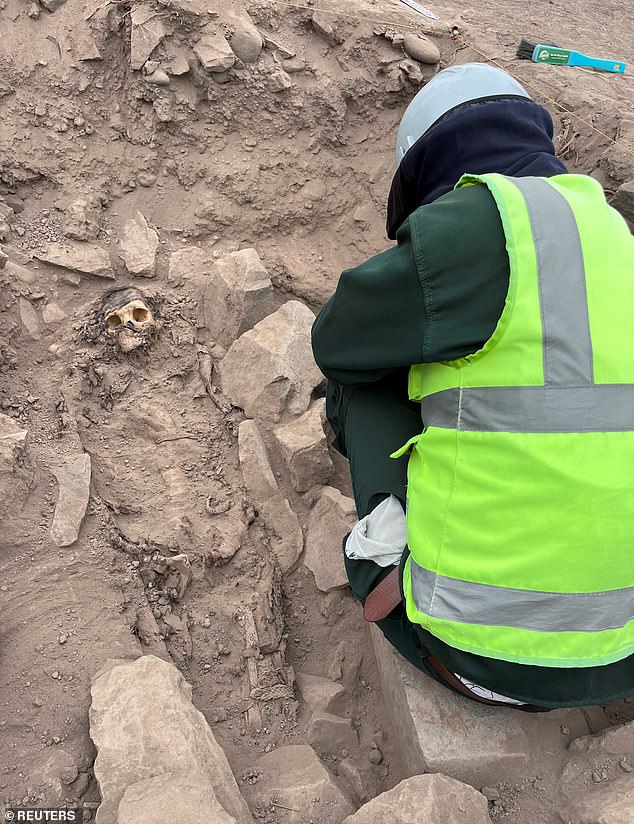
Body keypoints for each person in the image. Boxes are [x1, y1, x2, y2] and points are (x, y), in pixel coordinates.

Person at [311, 63, 633, 710]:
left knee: (366, 379)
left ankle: (382, 555)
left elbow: (337, 338)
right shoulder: (615, 234)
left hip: (480, 654)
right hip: (620, 655)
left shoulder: (470, 226)